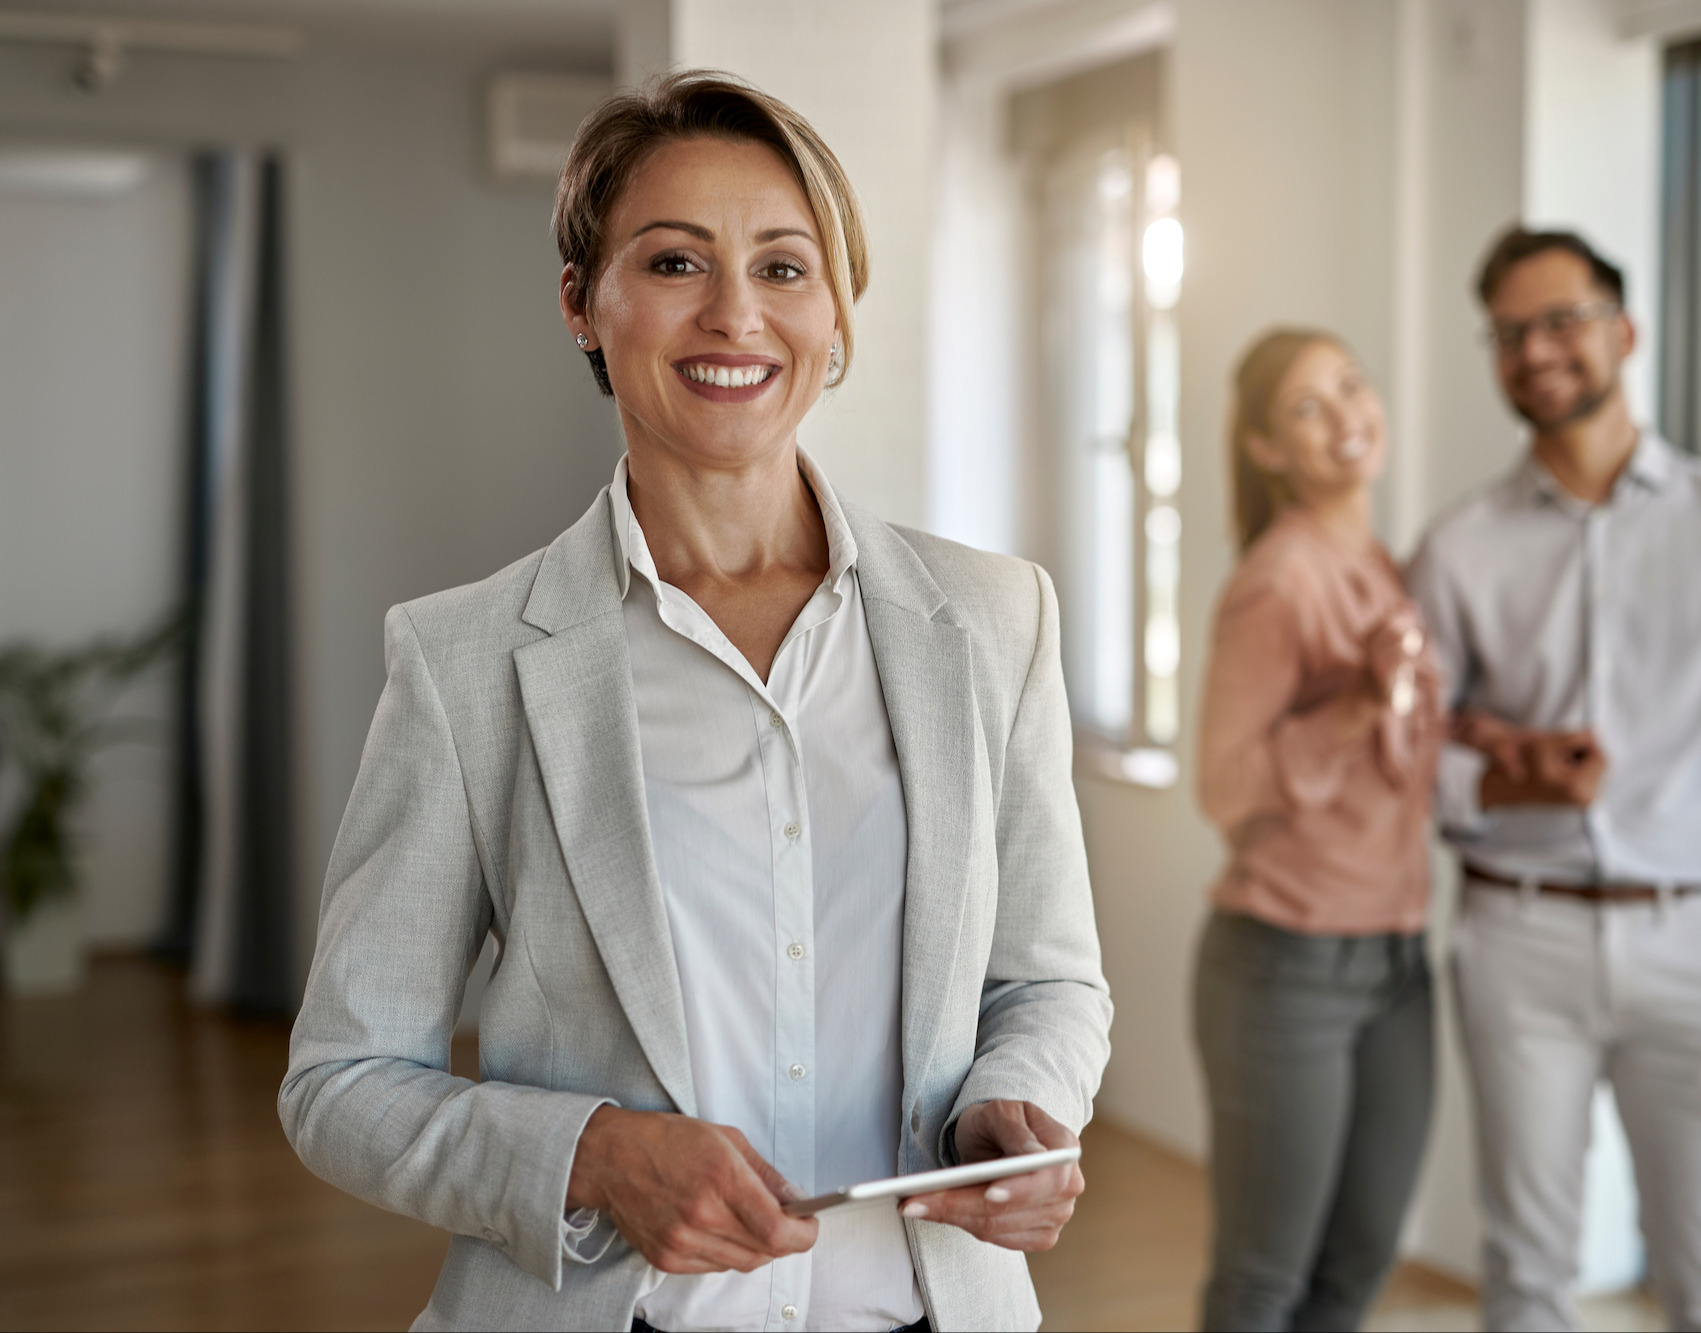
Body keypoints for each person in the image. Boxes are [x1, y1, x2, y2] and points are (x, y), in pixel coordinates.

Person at [277, 72, 1111, 1333]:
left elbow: (1050, 983)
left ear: (837, 316)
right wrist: (594, 1154)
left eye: (784, 268)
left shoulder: (995, 622)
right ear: (580, 302)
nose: (736, 315)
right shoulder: (464, 663)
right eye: (674, 263)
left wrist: (1022, 1101)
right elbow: (340, 1082)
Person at [1407, 227, 1701, 1332]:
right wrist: (1515, 785)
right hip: (1519, 937)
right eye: (1511, 333)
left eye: (1562, 321)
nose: (1537, 351)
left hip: (1691, 930)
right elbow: (1413, 760)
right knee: (1528, 1273)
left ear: (1622, 331)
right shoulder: (1459, 546)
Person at [1193, 329, 1443, 1332]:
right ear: (1265, 449)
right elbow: (1224, 786)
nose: (1345, 415)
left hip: (1395, 956)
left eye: (1349, 386)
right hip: (1286, 962)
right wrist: (1353, 707)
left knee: (1357, 1266)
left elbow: (1403, 745)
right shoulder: (1280, 577)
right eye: (1307, 407)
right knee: (1266, 1282)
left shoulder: (1378, 563)